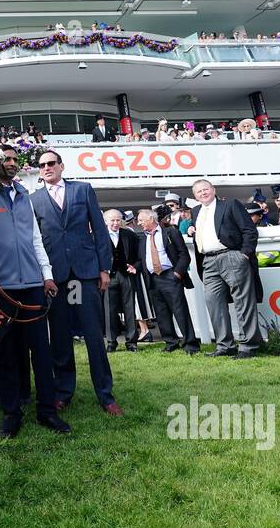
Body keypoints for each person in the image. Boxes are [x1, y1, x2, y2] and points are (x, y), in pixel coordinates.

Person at [0, 154, 70, 438]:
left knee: (41, 352)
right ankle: (11, 413)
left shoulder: (25, 196)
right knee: (5, 353)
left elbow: (35, 239)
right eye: (3, 159)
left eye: (13, 159)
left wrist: (46, 275)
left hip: (32, 284)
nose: (9, 162)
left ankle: (47, 410)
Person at [30, 151, 120, 415]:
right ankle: (63, 392)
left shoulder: (83, 190)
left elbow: (100, 230)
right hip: (55, 277)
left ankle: (106, 395)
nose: (46, 168)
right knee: (59, 337)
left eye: (50, 163)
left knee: (93, 335)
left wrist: (105, 268)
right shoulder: (33, 200)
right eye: (41, 165)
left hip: (84, 274)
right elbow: (35, 241)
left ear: (61, 166)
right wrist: (43, 275)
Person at [189, 179, 262, 358]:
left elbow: (249, 230)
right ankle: (225, 346)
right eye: (198, 191)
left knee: (243, 302)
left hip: (232, 256)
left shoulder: (230, 204)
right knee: (213, 302)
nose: (203, 193)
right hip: (208, 261)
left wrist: (243, 254)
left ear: (213, 189)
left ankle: (248, 347)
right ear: (195, 196)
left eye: (206, 189)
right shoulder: (196, 211)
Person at [138, 207, 199, 354]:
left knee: (180, 311)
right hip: (153, 279)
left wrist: (177, 273)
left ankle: (190, 344)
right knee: (161, 313)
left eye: (141, 220)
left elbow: (184, 255)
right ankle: (171, 342)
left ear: (151, 219)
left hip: (170, 276)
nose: (139, 223)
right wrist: (136, 268)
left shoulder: (170, 232)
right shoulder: (142, 238)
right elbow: (142, 259)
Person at [103, 210, 140, 351]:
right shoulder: (98, 236)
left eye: (118, 220)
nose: (115, 223)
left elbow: (139, 254)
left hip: (126, 275)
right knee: (109, 310)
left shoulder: (129, 235)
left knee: (130, 308)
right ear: (105, 221)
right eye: (112, 220)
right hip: (109, 276)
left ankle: (132, 342)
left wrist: (135, 266)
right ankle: (111, 342)